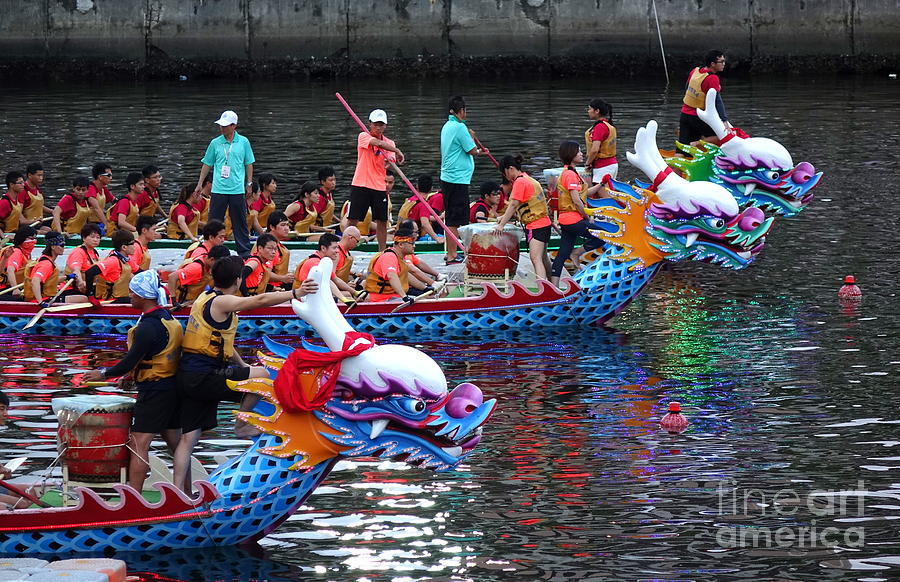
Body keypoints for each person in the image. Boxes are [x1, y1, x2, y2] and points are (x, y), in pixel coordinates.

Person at [172, 255, 318, 493]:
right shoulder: (222, 302)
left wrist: (245, 369)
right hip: (204, 376)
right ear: (238, 280)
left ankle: (179, 493)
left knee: (189, 437)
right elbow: (259, 299)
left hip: (189, 374)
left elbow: (226, 350)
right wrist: (296, 293)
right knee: (265, 374)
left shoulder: (204, 296)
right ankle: (242, 424)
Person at [83, 270, 182, 491]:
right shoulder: (168, 318)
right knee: (176, 444)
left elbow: (130, 360)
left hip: (154, 391)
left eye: (133, 293)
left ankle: (133, 497)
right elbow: (151, 356)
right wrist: (131, 378)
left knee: (138, 444)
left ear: (144, 297)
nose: (130, 296)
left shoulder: (148, 327)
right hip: (172, 389)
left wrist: (103, 373)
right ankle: (187, 491)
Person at [195, 110, 255, 258]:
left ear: (234, 126)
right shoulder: (215, 143)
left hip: (236, 189)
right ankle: (208, 248)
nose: (222, 128)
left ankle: (244, 251)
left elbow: (249, 163)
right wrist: (199, 183)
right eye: (221, 125)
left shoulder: (243, 142)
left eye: (226, 125)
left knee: (239, 221)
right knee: (214, 221)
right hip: (219, 188)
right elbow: (207, 164)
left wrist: (249, 183)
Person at [440, 96, 491, 264]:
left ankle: (451, 253)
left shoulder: (447, 125)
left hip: (448, 177)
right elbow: (471, 150)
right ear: (462, 111)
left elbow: (465, 149)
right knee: (455, 219)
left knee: (452, 218)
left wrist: (473, 143)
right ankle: (453, 255)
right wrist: (474, 142)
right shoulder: (460, 127)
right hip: (457, 179)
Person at [348, 109, 405, 252]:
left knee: (382, 221)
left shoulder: (390, 143)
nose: (378, 127)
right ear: (369, 124)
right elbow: (377, 143)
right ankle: (344, 247)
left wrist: (394, 158)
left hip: (379, 186)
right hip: (361, 183)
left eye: (381, 125)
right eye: (375, 124)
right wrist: (397, 150)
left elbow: (389, 161)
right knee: (353, 219)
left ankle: (382, 251)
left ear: (385, 126)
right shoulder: (363, 136)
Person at [550, 141, 607, 285]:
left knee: (562, 253)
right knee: (604, 235)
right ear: (571, 154)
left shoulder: (572, 172)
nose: (582, 153)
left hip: (567, 219)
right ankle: (577, 253)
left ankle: (554, 287)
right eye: (579, 151)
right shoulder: (569, 174)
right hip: (572, 219)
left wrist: (601, 184)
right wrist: (587, 218)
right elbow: (576, 200)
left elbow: (584, 193)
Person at [492, 155, 552, 281]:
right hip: (544, 223)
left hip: (536, 225)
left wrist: (501, 224)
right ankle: (553, 284)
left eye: (504, 173)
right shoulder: (528, 179)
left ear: (510, 169)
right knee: (543, 257)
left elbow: (513, 204)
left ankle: (543, 289)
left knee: (535, 258)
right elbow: (522, 205)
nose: (505, 176)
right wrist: (504, 217)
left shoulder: (519, 182)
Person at [679, 50, 732, 146]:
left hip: (684, 114)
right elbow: (717, 101)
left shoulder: (695, 71)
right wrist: (724, 121)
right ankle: (696, 144)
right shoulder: (712, 78)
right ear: (712, 64)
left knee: (682, 147)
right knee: (723, 136)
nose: (724, 64)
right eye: (721, 62)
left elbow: (687, 87)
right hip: (698, 117)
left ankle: (681, 154)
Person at [363, 229, 431, 302]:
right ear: (401, 244)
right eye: (411, 243)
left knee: (429, 298)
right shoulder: (389, 256)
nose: (414, 246)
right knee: (423, 301)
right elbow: (391, 276)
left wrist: (425, 288)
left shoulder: (400, 257)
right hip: (381, 298)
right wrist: (404, 297)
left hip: (393, 296)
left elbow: (406, 276)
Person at [293, 233, 355, 301]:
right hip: (303, 298)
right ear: (323, 248)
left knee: (348, 294)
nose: (337, 251)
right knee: (347, 295)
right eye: (334, 248)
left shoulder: (323, 262)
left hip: (315, 294)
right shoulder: (315, 263)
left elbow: (335, 279)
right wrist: (343, 298)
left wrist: (356, 293)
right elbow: (328, 282)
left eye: (337, 247)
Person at [82, 230, 136, 304]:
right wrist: (90, 296)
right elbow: (89, 272)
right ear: (124, 247)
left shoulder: (124, 260)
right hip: (111, 300)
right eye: (132, 244)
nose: (134, 246)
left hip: (121, 297)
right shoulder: (113, 261)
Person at [252, 212, 292, 290]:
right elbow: (262, 272)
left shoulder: (279, 246)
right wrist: (283, 278)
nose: (287, 228)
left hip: (280, 286)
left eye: (287, 225)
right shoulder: (265, 245)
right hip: (271, 289)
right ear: (272, 227)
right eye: (283, 225)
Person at [24, 231, 66, 304]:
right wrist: (40, 302)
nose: (63, 248)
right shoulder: (46, 264)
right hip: (45, 299)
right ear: (53, 247)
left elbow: (49, 280)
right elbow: (35, 281)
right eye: (61, 245)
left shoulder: (46, 259)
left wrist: (67, 277)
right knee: (82, 299)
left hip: (47, 296)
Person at [584, 99, 618, 187]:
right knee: (608, 194)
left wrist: (587, 163)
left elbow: (595, 150)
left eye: (590, 109)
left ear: (597, 111)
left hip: (603, 167)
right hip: (611, 164)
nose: (588, 111)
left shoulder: (600, 127)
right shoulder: (607, 125)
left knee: (604, 197)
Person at [64, 222, 102, 294]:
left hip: (90, 287)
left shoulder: (95, 252)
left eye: (98, 237)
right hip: (74, 289)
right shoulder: (78, 252)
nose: (95, 240)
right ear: (84, 238)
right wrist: (80, 282)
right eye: (92, 237)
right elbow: (76, 270)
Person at [0, 225, 37, 297]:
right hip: (5, 289)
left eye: (35, 238)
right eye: (31, 238)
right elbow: (10, 270)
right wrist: (15, 289)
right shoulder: (16, 252)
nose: (34, 241)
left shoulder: (26, 254)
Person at [86, 163, 114, 231]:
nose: (111, 178)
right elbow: (96, 208)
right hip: (89, 224)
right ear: (100, 177)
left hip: (99, 223)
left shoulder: (103, 188)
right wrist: (107, 225)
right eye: (108, 175)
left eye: (111, 175)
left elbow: (115, 201)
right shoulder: (91, 188)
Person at [0, 171, 25, 236]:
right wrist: (3, 237)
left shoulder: (16, 201)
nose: (23, 185)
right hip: (7, 236)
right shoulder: (4, 202)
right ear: (11, 185)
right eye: (20, 183)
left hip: (14, 234)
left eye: (23, 182)